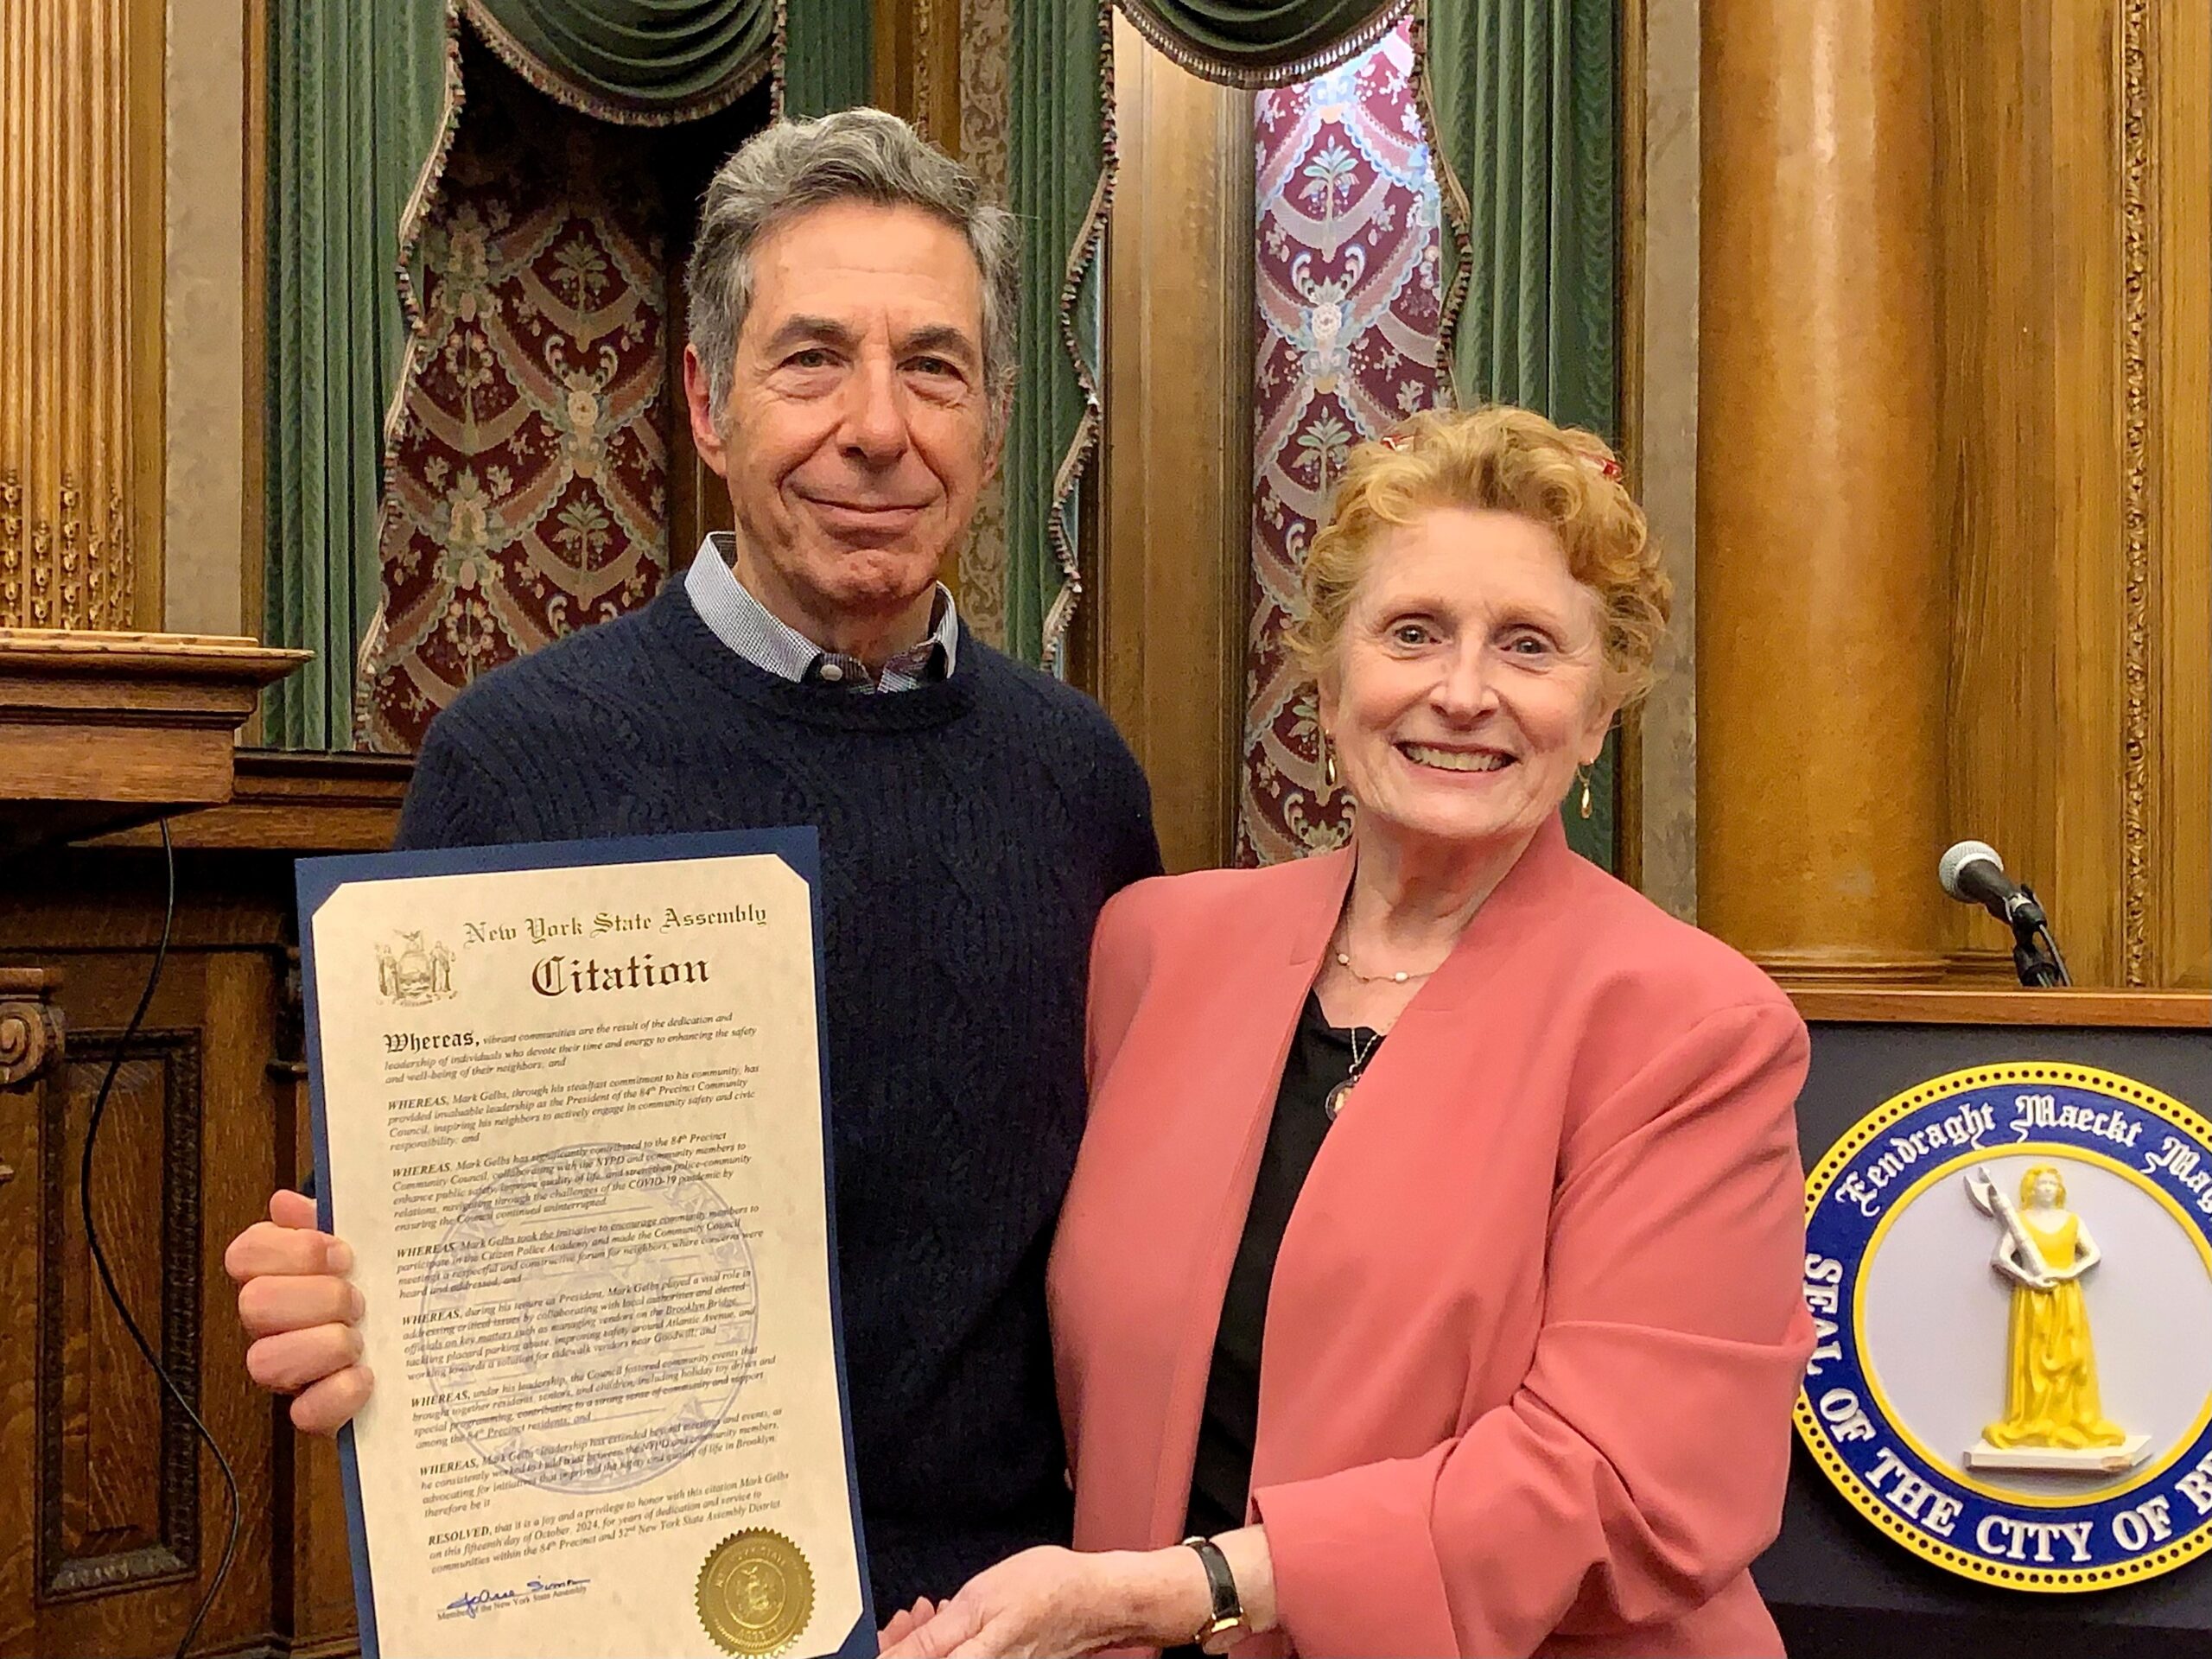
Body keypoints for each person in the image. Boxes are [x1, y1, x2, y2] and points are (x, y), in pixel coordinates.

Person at [220, 109, 1160, 1615]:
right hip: (630, 1610)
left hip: (1016, 1620)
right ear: (709, 405)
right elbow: (408, 1239)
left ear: (991, 424)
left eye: (934, 366)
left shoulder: (1081, 784)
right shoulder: (520, 762)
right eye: (812, 360)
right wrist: (333, 1303)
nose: (877, 424)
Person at [880, 407, 1815, 1659]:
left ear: (1598, 716)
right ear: (1328, 681)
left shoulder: (1692, 1033)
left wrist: (1175, 1589)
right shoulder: (1154, 951)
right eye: (1413, 632)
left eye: (1529, 647)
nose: (1464, 691)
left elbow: (1627, 1483)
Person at [1983, 1165, 2125, 1449]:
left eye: (2052, 1184)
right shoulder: (2020, 1221)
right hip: (2033, 1299)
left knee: (2071, 1359)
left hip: (2066, 1297)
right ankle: (2035, 1420)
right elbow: (2001, 1258)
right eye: (2042, 1184)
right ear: (2031, 1189)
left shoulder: (2072, 1221)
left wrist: (2070, 1272)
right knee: (2035, 1363)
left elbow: (2093, 1253)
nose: (2047, 1189)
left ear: (2059, 1190)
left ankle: (2072, 1419)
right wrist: (2028, 1279)